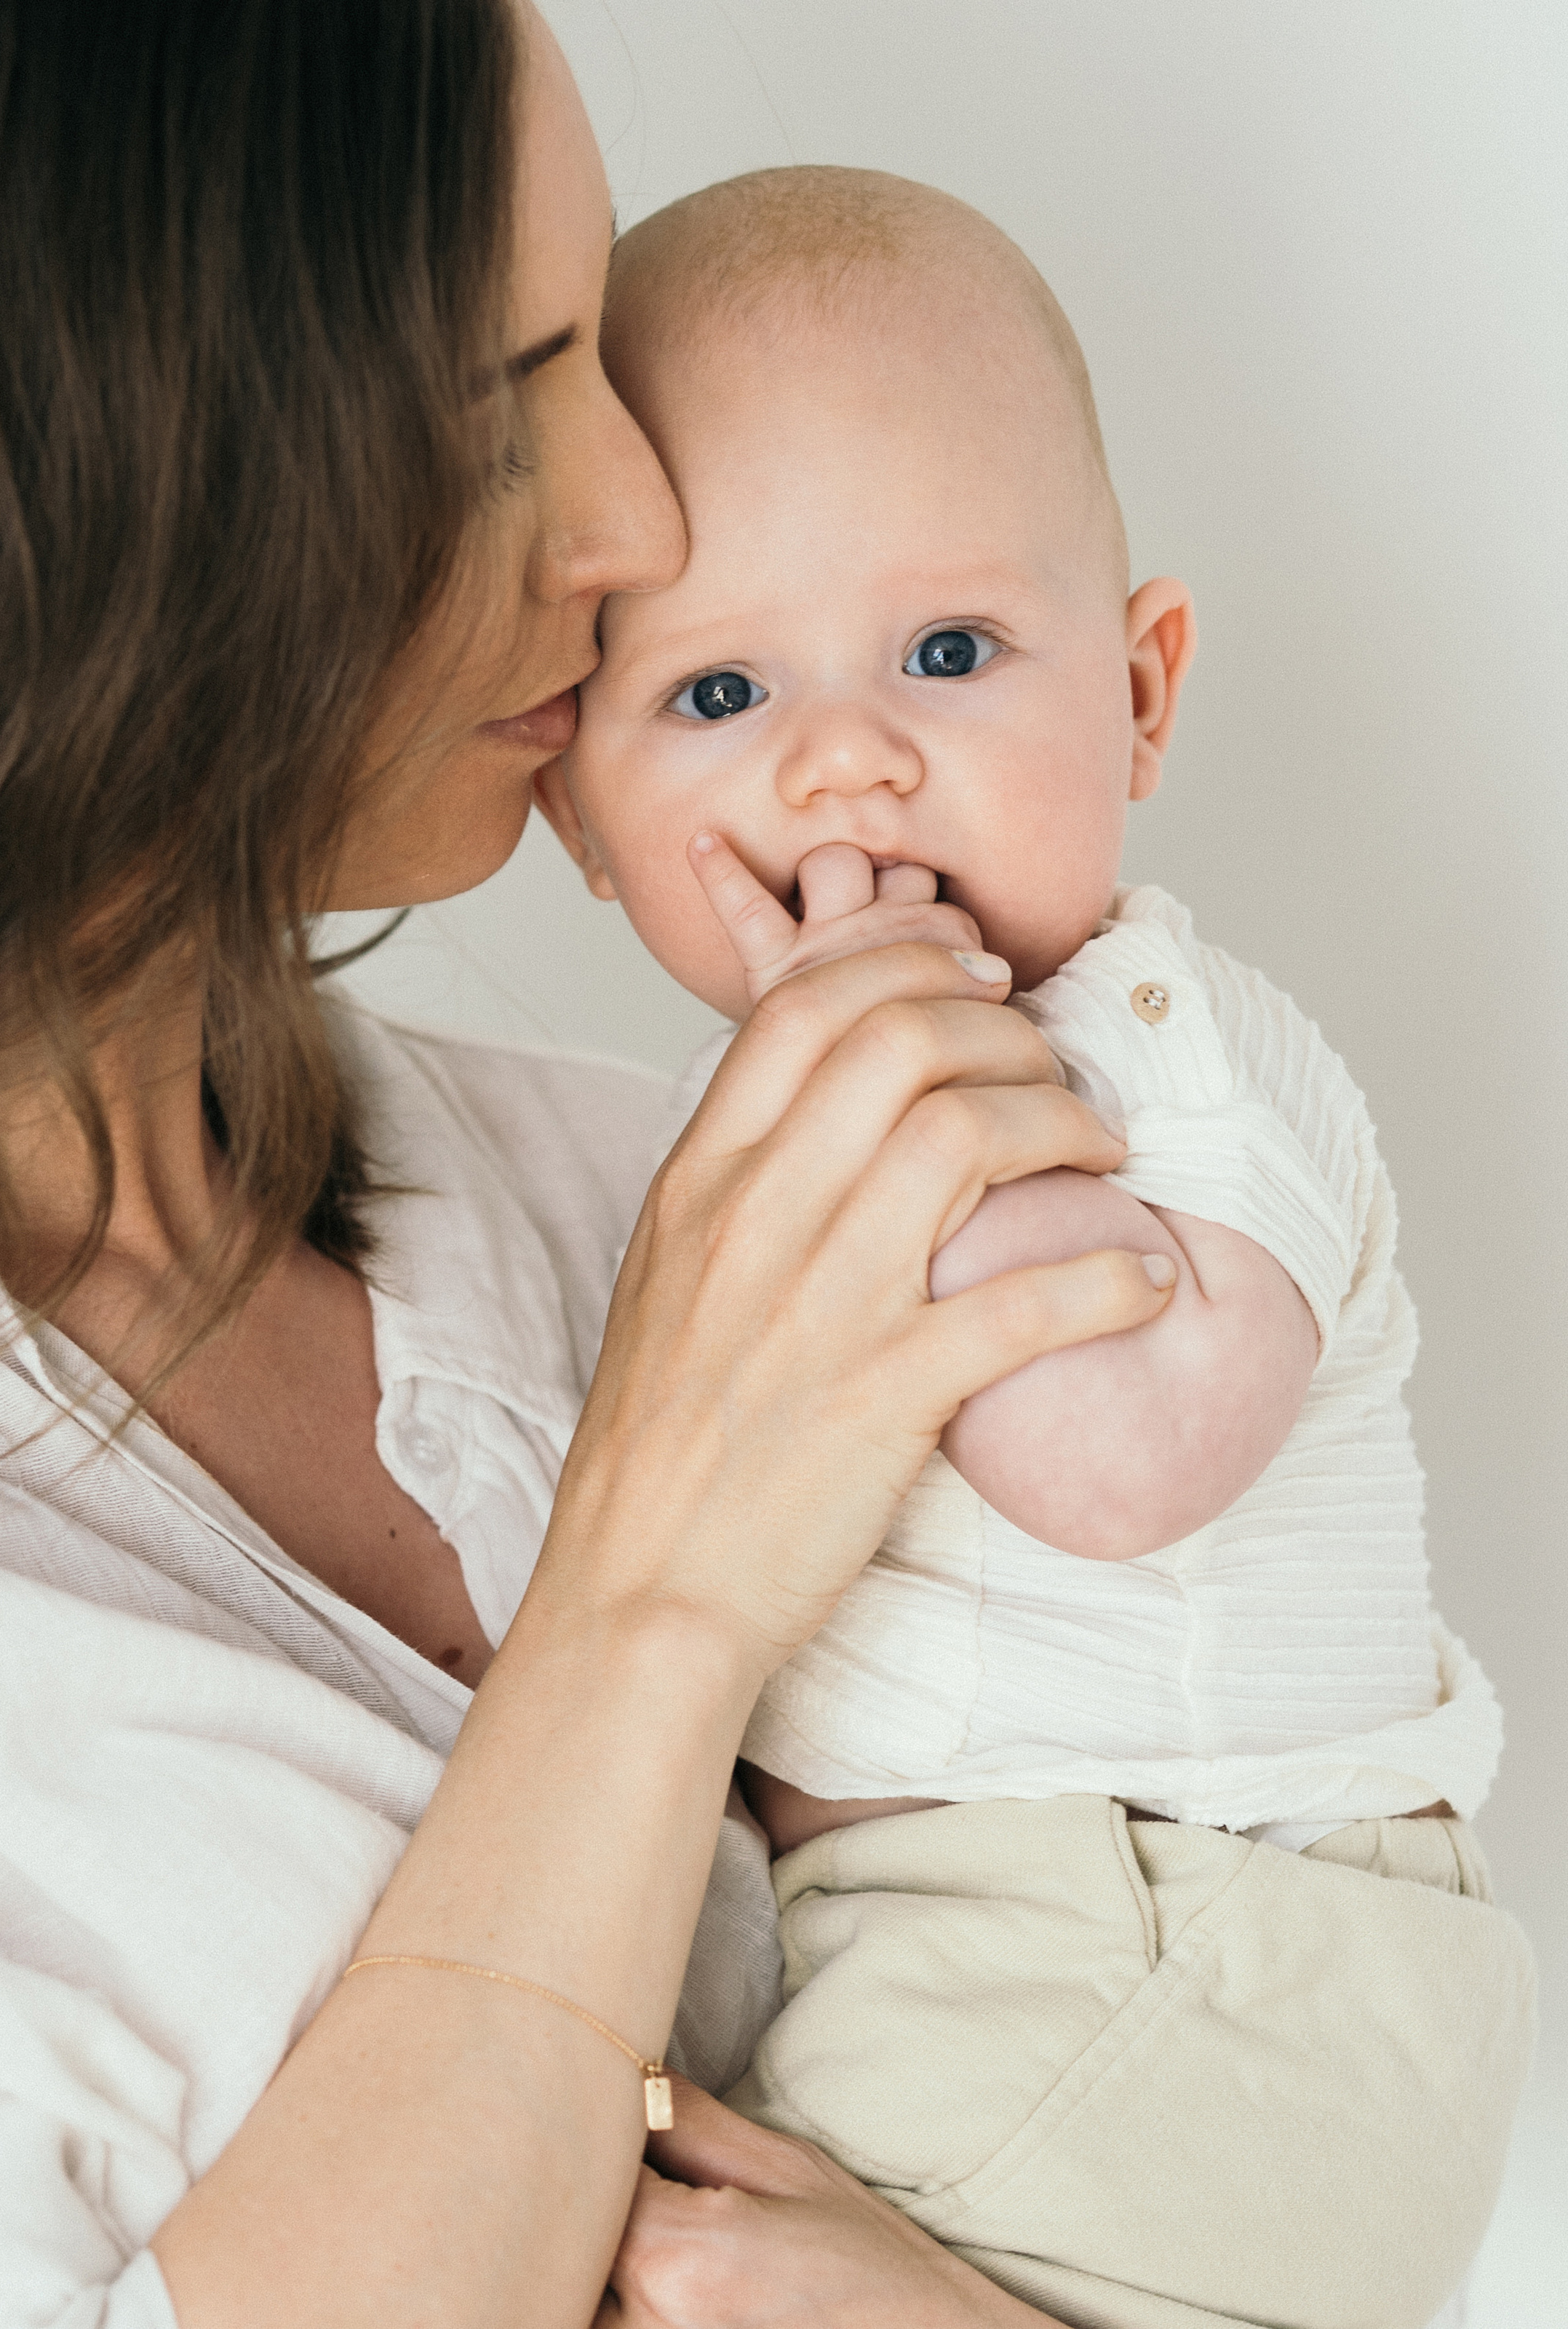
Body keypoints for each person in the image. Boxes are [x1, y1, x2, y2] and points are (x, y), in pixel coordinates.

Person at [0, 7, 1190, 2326]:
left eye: (594, 355)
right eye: (490, 412)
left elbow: (1269, 2032)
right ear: (69, 480)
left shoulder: (679, 1193)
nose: (638, 524)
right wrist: (653, 1598)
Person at [534, 167, 1536, 2329]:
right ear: (582, 823)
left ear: (1146, 692)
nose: (846, 756)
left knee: (580, 2249)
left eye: (950, 651)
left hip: (1173, 1953)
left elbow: (1120, 1461)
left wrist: (923, 1094)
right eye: (717, 698)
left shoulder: (1169, 1055)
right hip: (1047, 1955)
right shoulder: (735, 1133)